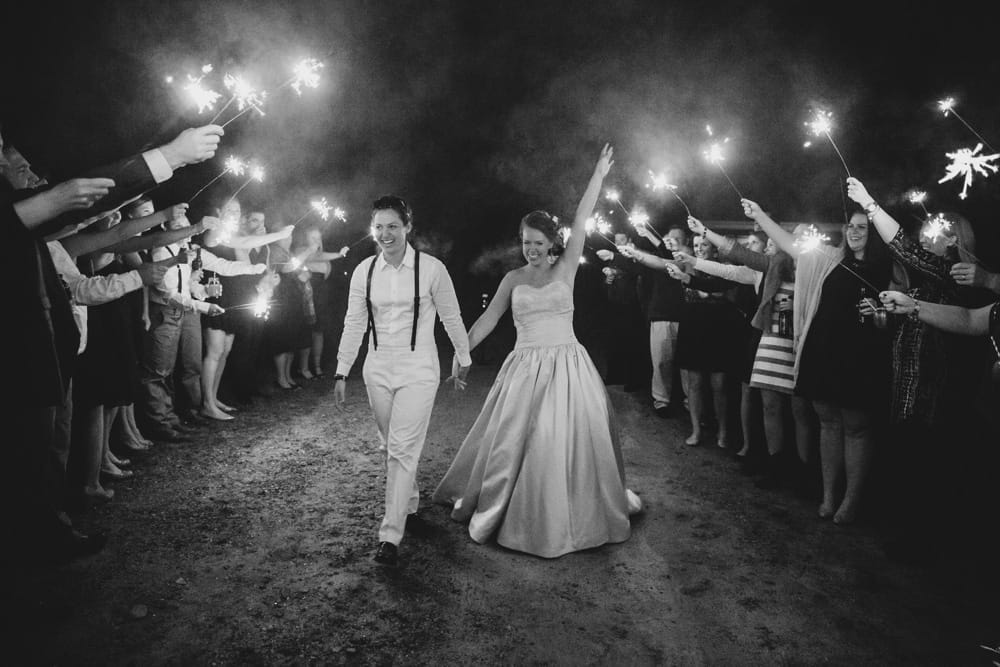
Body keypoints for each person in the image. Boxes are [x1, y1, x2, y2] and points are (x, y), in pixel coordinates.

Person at [433, 145, 641, 559]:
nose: (530, 249)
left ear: (552, 243)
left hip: (568, 365)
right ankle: (520, 512)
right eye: (525, 242)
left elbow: (582, 217)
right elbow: (488, 320)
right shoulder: (512, 278)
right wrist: (462, 353)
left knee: (562, 439)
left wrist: (597, 175)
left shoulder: (566, 269)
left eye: (538, 242)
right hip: (525, 368)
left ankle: (568, 516)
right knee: (518, 442)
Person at [334, 195, 472, 568]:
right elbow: (354, 322)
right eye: (378, 227)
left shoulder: (431, 269)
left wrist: (464, 356)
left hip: (418, 370)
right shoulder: (364, 271)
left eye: (393, 226)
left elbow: (451, 316)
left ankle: (389, 535)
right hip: (377, 370)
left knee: (400, 448)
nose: (385, 234)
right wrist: (342, 369)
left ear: (408, 227)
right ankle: (408, 500)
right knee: (390, 444)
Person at [742, 199, 892, 524]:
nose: (854, 232)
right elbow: (790, 245)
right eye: (850, 226)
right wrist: (760, 214)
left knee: (856, 428)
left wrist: (881, 312)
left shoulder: (886, 269)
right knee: (828, 424)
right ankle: (827, 495)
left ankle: (851, 501)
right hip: (824, 352)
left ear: (874, 233)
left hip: (860, 358)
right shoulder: (831, 259)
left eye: (862, 227)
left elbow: (896, 313)